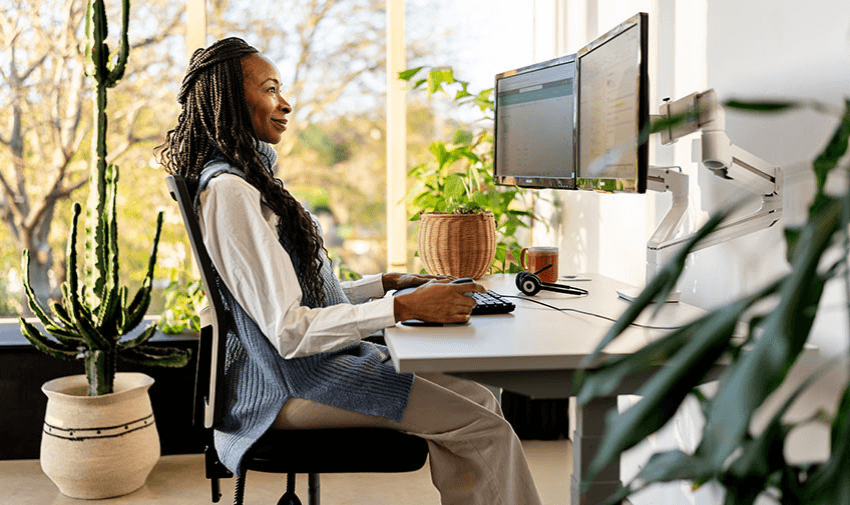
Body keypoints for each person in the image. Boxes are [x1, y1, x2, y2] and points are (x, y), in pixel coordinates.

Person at [158, 37, 543, 505]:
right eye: (270, 89)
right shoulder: (231, 194)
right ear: (230, 100)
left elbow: (291, 296)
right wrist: (399, 309)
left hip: (305, 370)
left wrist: (383, 286)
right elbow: (288, 331)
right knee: (483, 428)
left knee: (481, 399)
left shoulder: (247, 182)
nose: (286, 103)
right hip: (290, 386)